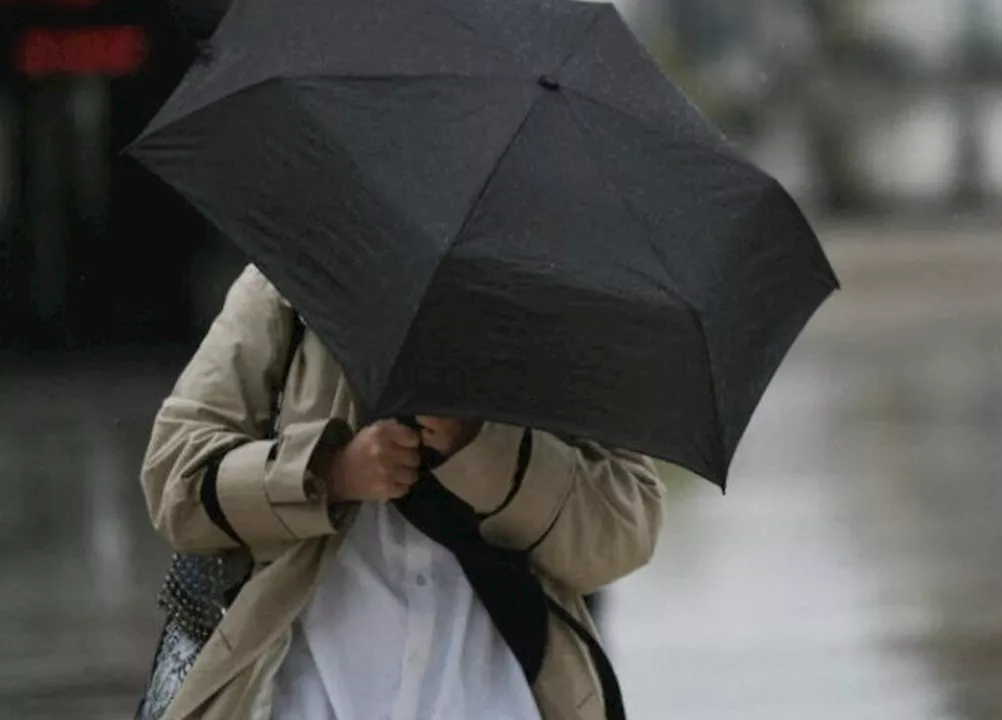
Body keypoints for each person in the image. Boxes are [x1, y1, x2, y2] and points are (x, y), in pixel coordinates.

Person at [141, 264, 665, 720]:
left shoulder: (553, 310)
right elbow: (175, 478)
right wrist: (327, 473)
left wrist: (484, 451)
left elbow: (625, 529)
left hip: (490, 697)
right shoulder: (287, 286)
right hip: (305, 695)